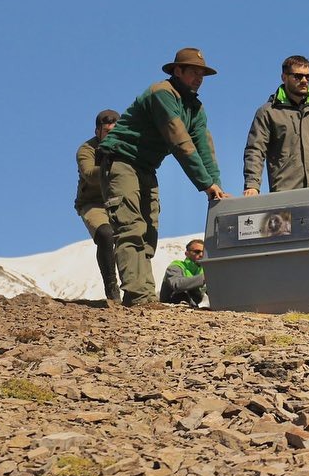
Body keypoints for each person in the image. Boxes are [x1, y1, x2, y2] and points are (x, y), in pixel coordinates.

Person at [98, 48, 230, 307]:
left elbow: (204, 147)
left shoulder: (195, 108)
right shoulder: (162, 93)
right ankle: (140, 297)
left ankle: (143, 295)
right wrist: (205, 184)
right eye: (193, 71)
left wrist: (217, 188)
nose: (198, 78)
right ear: (177, 71)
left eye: (202, 73)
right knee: (130, 227)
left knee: (148, 231)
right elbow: (180, 141)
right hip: (122, 160)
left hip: (147, 168)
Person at [243, 55, 309, 195]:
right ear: (284, 77)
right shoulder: (268, 112)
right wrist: (252, 184)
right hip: (286, 193)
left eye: (308, 77)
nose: (304, 81)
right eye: (298, 76)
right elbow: (255, 149)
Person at [74, 109, 123, 301]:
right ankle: (111, 287)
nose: (112, 135)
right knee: (105, 234)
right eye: (107, 132)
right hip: (93, 202)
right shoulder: (87, 149)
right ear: (98, 132)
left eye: (116, 131)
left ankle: (134, 289)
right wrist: (108, 163)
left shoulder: (127, 146)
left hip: (120, 201)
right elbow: (89, 174)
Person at [159, 239, 207, 306]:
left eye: (203, 252)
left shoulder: (204, 270)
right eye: (197, 252)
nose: (201, 255)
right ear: (187, 254)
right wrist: (206, 277)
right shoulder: (176, 266)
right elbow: (177, 285)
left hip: (191, 306)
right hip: (170, 305)